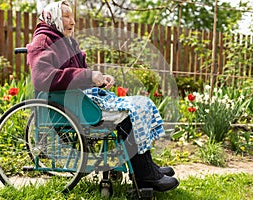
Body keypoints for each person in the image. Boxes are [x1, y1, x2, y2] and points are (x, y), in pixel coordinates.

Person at [26, 0, 179, 192]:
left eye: (72, 16)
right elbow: (43, 78)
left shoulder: (66, 41)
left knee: (140, 104)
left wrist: (97, 78)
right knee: (128, 112)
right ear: (52, 17)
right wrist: (88, 76)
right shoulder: (43, 41)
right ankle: (144, 175)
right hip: (70, 106)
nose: (72, 21)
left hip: (79, 100)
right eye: (66, 16)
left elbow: (78, 75)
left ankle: (146, 166)